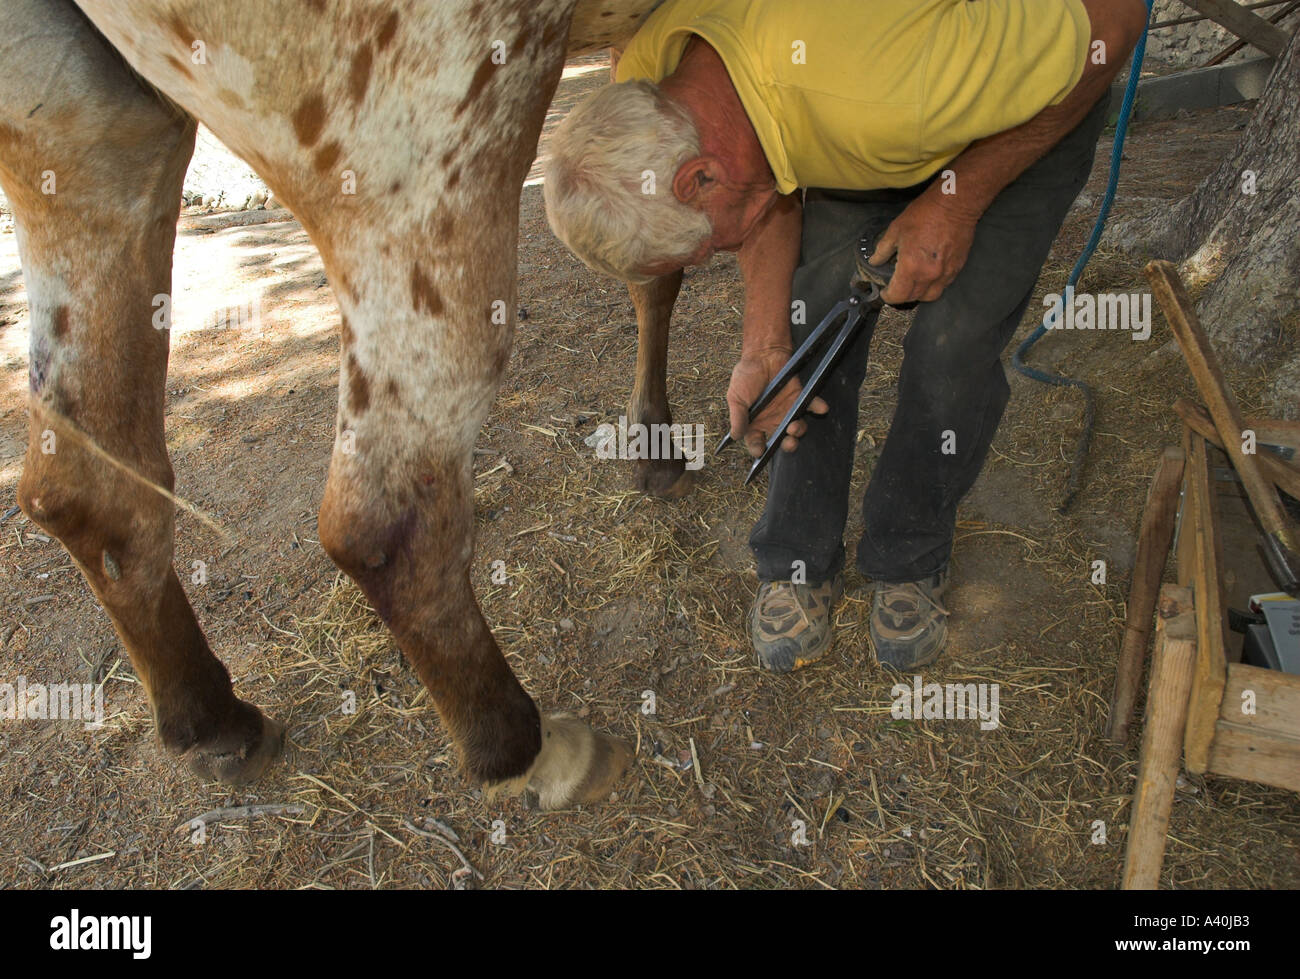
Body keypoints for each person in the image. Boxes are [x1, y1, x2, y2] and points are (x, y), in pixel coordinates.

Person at [545, 0, 1149, 673]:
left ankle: (909, 553)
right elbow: (759, 188)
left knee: (952, 343)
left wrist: (958, 198)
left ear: (699, 177)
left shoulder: (882, 90)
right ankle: (798, 557)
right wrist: (764, 347)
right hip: (860, 102)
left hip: (1029, 91)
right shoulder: (653, 71)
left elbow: (1114, 21)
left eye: (699, 247)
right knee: (808, 322)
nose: (704, 260)